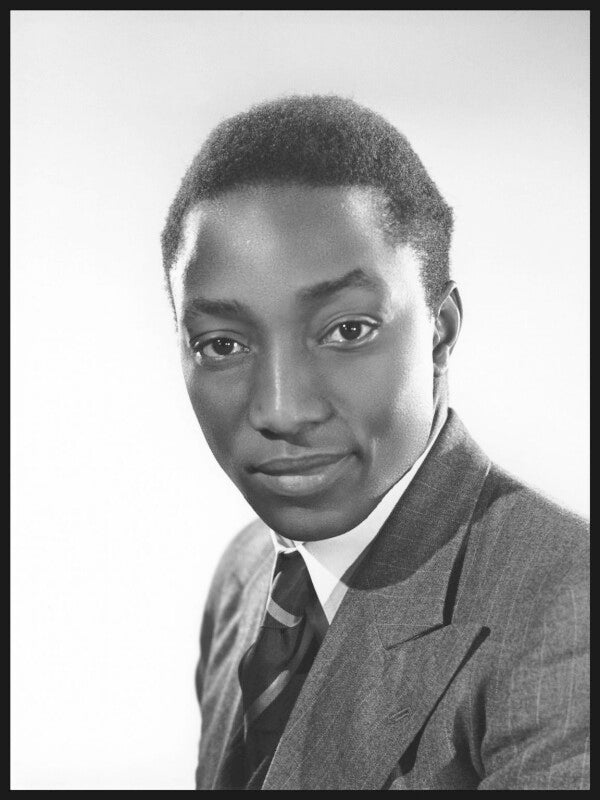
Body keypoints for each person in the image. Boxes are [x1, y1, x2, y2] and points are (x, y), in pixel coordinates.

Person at [161, 95, 589, 790]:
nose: (281, 410)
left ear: (441, 332)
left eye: (348, 330)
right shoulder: (245, 575)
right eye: (223, 344)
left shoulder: (567, 606)